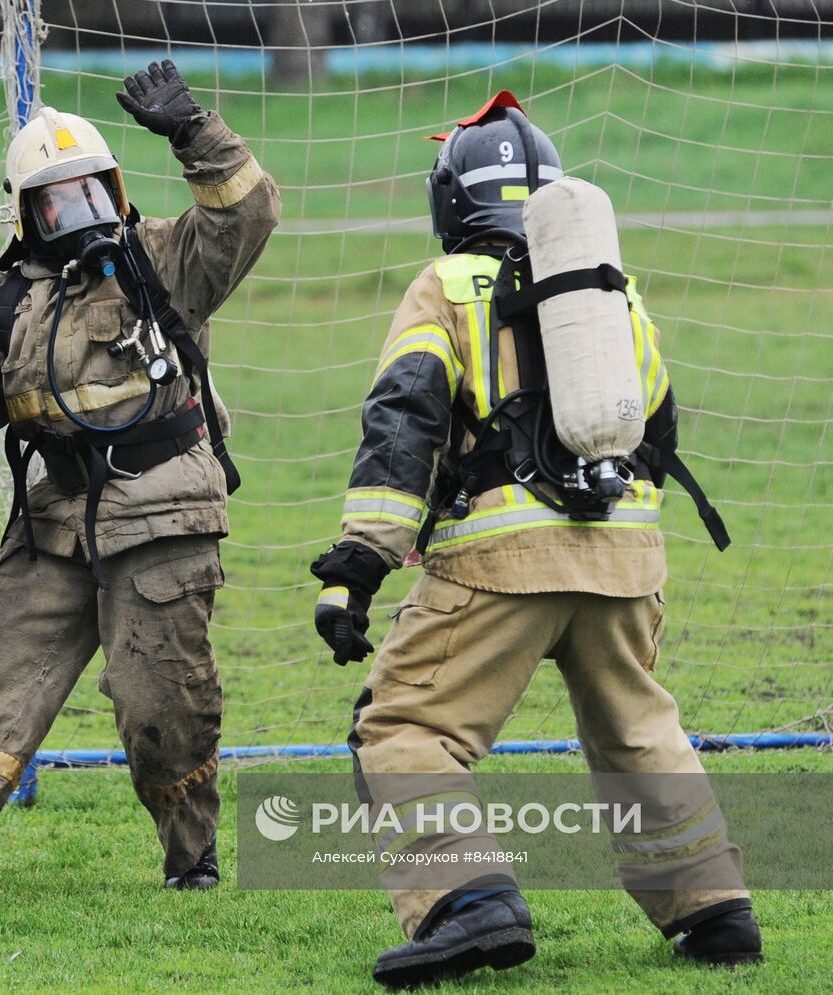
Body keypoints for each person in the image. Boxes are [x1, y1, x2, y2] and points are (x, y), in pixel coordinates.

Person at [309, 91, 760, 988]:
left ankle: (469, 899)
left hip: (503, 559)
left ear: (451, 202)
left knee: (403, 726)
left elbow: (404, 422)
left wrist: (358, 564)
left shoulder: (447, 287)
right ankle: (713, 908)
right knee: (638, 732)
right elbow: (659, 426)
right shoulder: (612, 291)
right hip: (627, 555)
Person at [0, 60, 280, 901]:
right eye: (57, 201)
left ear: (117, 192)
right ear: (25, 216)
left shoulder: (164, 264)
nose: (80, 213)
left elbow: (248, 213)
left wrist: (196, 132)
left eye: (92, 192)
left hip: (162, 513)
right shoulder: (4, 309)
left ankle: (192, 859)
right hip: (53, 521)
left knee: (164, 702)